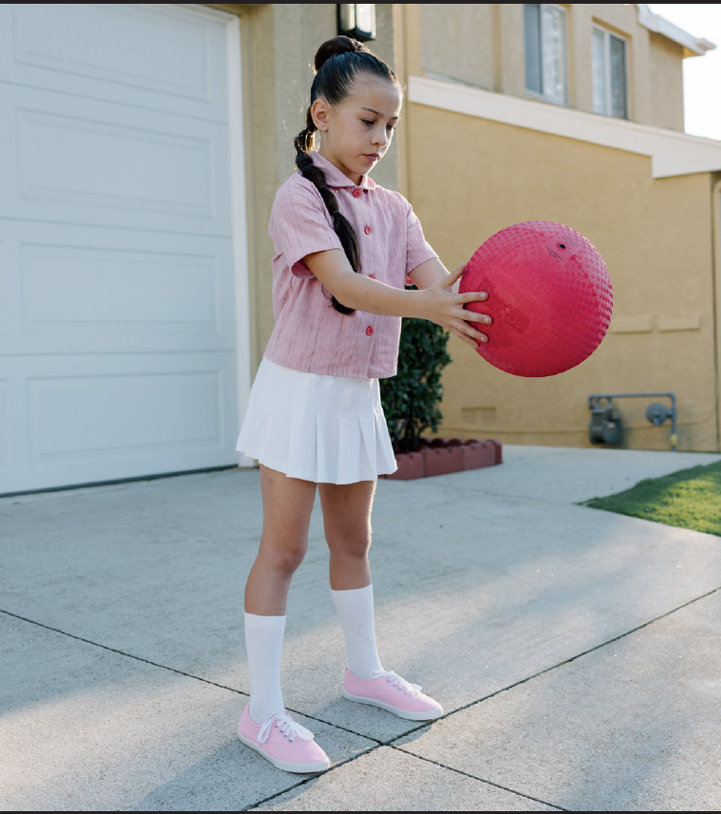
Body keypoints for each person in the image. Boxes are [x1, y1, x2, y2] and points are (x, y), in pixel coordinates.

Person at [234, 35, 491, 774]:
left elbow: (442, 283)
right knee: (284, 550)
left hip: (356, 394)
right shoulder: (298, 196)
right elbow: (343, 285)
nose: (379, 139)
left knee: (355, 544)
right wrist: (434, 307)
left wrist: (490, 299)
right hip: (300, 391)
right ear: (323, 114)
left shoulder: (395, 208)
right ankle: (264, 712)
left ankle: (364, 673)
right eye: (367, 122)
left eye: (390, 127)